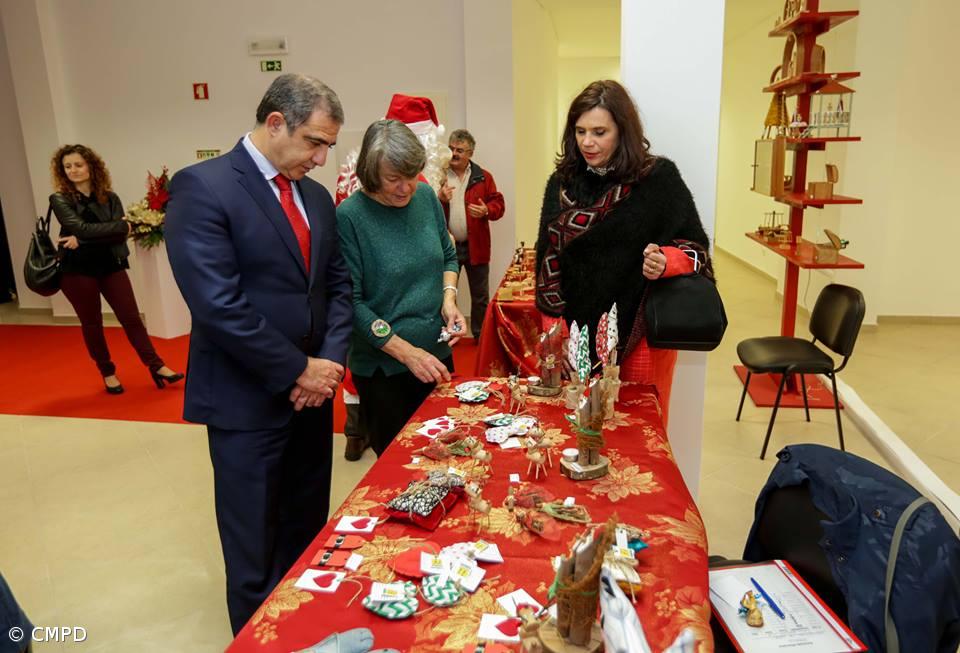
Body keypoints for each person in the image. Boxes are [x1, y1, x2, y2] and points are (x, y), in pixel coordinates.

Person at [164, 74, 353, 634]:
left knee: (305, 527)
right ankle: (257, 639)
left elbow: (338, 287)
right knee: (253, 545)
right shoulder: (204, 187)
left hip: (313, 400)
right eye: (314, 142)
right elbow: (218, 304)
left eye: (327, 145)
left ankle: (301, 630)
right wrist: (299, 369)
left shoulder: (316, 197)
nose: (321, 158)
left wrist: (329, 366)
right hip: (246, 402)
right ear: (276, 123)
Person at [534, 80, 712, 426]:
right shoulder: (561, 183)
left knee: (637, 433)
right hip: (573, 335)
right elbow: (547, 264)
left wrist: (666, 261)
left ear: (623, 130)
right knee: (572, 432)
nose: (587, 142)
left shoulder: (659, 179)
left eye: (600, 131)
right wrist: (557, 333)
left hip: (639, 337)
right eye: (580, 131)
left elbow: (696, 249)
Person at [337, 119, 465, 457]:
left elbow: (449, 256)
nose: (405, 188)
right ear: (369, 172)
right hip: (386, 371)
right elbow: (352, 303)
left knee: (448, 462)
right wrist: (408, 353)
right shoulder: (350, 217)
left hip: (436, 356)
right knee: (403, 469)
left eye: (411, 176)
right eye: (393, 179)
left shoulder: (425, 196)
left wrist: (449, 299)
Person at [48, 144, 183, 394]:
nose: (73, 170)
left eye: (78, 164)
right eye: (67, 166)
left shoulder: (110, 197)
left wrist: (84, 238)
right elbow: (108, 228)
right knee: (92, 323)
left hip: (111, 264)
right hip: (77, 270)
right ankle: (107, 372)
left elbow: (117, 234)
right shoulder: (60, 199)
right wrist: (103, 231)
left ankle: (156, 366)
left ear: (91, 166)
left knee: (131, 318)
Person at [438, 129, 504, 340]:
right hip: (447, 247)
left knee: (480, 297)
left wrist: (487, 210)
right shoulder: (438, 176)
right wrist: (439, 198)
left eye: (459, 150)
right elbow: (424, 208)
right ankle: (451, 335)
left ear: (470, 153)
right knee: (448, 295)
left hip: (477, 246)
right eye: (451, 148)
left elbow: (499, 205)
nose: (454, 154)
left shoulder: (483, 177)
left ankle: (481, 338)